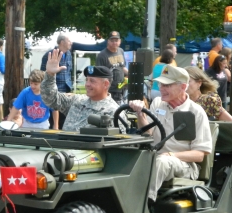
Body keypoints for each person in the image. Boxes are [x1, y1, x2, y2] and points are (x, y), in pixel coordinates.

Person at [128, 65, 212, 202]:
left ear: (183, 87)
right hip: (154, 158)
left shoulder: (196, 112)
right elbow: (147, 133)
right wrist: (140, 113)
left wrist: (170, 154)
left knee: (162, 161)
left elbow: (199, 155)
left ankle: (143, 202)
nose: (161, 88)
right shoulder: (157, 103)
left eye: (167, 85)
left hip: (184, 165)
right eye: (161, 84)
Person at [41, 49, 126, 133]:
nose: (87, 84)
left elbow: (119, 142)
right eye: (87, 80)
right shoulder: (76, 100)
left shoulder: (114, 112)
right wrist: (50, 74)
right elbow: (50, 98)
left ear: (106, 84)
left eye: (92, 81)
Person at [40, 34, 73, 129]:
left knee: (65, 118)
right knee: (54, 119)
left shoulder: (69, 54)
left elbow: (69, 71)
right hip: (54, 90)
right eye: (69, 40)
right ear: (62, 42)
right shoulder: (50, 55)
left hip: (66, 89)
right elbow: (43, 73)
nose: (71, 43)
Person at [96, 31, 128, 104]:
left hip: (121, 88)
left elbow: (122, 67)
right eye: (112, 40)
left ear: (120, 41)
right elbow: (99, 75)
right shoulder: (102, 55)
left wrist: (132, 74)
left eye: (116, 40)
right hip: (109, 90)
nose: (114, 42)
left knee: (120, 111)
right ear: (108, 41)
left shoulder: (121, 51)